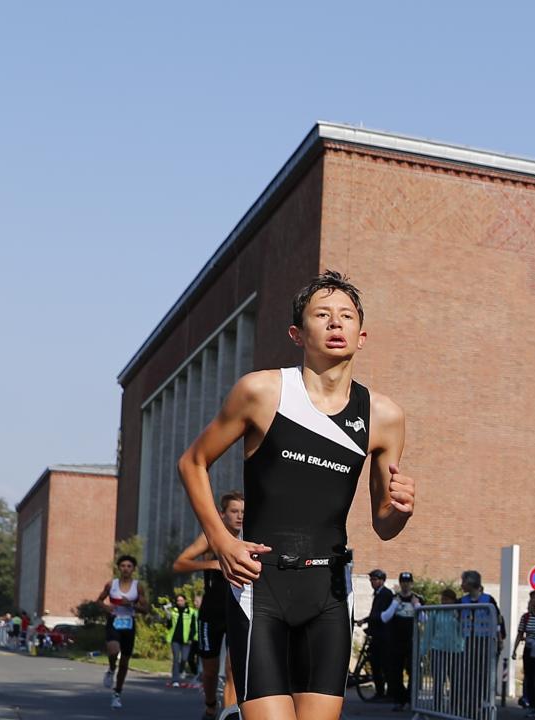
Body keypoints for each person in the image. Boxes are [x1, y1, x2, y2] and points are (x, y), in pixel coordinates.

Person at [177, 270, 419, 720]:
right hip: (259, 585)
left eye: (346, 316)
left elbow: (383, 525)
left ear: (361, 336)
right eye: (322, 315)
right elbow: (192, 462)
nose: (335, 323)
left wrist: (400, 511)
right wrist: (223, 541)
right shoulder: (262, 391)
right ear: (296, 332)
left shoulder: (384, 416)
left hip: (328, 595)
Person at [173, 490, 247, 719]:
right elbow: (180, 564)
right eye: (234, 511)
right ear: (222, 514)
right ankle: (210, 705)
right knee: (210, 671)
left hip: (240, 610)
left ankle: (229, 714)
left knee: (233, 672)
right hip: (211, 613)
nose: (239, 516)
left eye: (243, 512)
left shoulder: (250, 537)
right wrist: (214, 564)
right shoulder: (212, 538)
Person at [94, 554, 147, 708]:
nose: (126, 569)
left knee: (124, 662)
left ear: (133, 569)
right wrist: (106, 607)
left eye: (129, 566)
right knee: (113, 651)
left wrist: (131, 604)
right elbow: (99, 600)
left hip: (129, 623)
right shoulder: (111, 585)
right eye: (123, 566)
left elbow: (145, 609)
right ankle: (111, 669)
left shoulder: (138, 586)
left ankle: (117, 693)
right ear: (119, 568)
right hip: (114, 621)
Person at [455, 570, 502, 712]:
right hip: (468, 640)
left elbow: (498, 620)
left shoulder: (489, 600)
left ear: (470, 583)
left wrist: (499, 639)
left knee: (483, 673)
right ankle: (470, 703)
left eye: (463, 581)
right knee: (468, 673)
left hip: (485, 641)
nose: (462, 585)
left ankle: (482, 701)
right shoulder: (462, 601)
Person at [362, 569, 402, 708]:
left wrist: (369, 620)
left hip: (384, 638)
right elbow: (375, 614)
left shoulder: (385, 594)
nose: (372, 582)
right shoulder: (378, 594)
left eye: (375, 579)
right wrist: (365, 620)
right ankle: (380, 692)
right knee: (376, 664)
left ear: (382, 580)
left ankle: (387, 693)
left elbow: (381, 616)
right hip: (377, 636)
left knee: (384, 665)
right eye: (371, 579)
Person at [385, 572, 420, 708]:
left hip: (412, 640)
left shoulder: (417, 599)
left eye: (408, 582)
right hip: (396, 641)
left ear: (412, 583)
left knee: (412, 670)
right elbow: (385, 617)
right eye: (403, 582)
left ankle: (410, 698)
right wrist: (395, 604)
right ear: (400, 583)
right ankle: (400, 699)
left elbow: (424, 619)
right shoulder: (394, 598)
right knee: (396, 671)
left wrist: (416, 606)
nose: (406, 584)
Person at [162, 594, 200, 688]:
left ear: (185, 601)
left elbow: (193, 627)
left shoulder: (190, 612)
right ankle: (175, 679)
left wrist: (191, 638)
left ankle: (181, 671)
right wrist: (167, 612)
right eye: (178, 600)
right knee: (176, 659)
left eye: (181, 600)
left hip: (186, 640)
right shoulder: (173, 611)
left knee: (184, 658)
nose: (180, 602)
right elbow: (169, 623)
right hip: (175, 639)